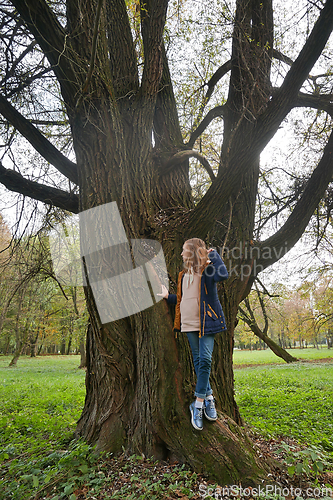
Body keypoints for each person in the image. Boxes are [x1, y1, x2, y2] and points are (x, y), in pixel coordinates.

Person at [158, 238, 228, 431]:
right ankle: (209, 396)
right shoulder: (183, 275)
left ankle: (197, 404)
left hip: (206, 323)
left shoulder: (208, 271)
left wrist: (213, 256)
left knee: (205, 360)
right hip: (188, 324)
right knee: (198, 361)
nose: (181, 254)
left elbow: (224, 275)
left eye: (183, 250)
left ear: (192, 251)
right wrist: (167, 297)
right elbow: (182, 299)